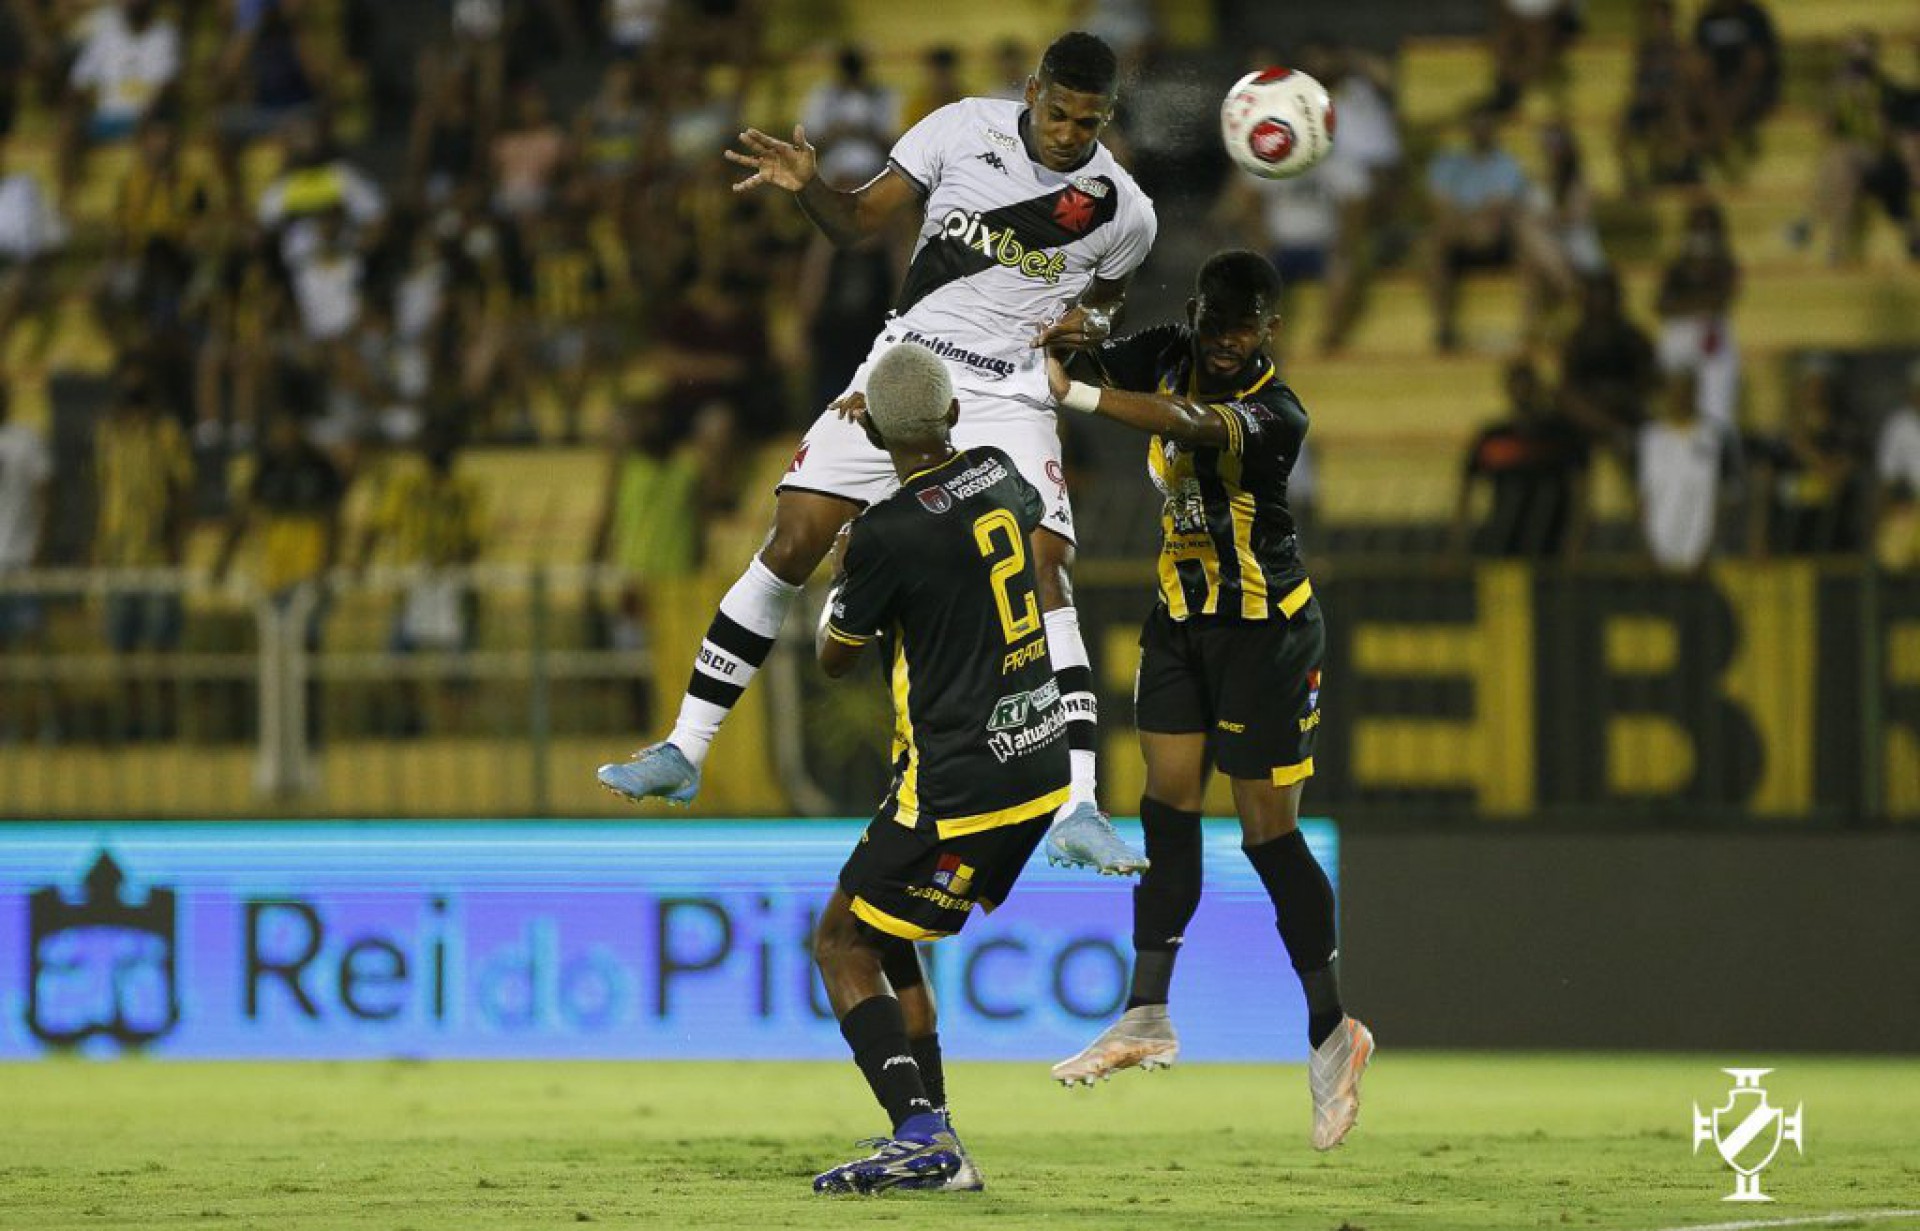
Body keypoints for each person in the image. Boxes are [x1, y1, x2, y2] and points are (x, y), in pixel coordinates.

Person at [598, 31, 1156, 875]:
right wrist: (808, 187)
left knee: (1047, 570)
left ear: (1107, 115)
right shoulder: (960, 127)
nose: (1069, 133)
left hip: (1008, 393)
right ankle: (685, 747)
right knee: (792, 540)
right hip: (905, 368)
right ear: (1032, 91)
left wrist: (1095, 325)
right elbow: (856, 222)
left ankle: (1081, 805)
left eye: (1089, 122)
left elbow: (1107, 306)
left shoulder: (1125, 209)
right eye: (1058, 113)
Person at [1038, 250, 1373, 1152]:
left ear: (1270, 329)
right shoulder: (1168, 349)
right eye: (1215, 324)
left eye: (1243, 329)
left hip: (1266, 632)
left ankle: (1333, 1033)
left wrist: (1076, 392)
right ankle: (1146, 1011)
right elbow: (1078, 349)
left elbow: (1186, 422)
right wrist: (1060, 322)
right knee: (1166, 805)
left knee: (1267, 833)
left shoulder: (1276, 411)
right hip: (1180, 621)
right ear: (1196, 314)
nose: (1226, 343)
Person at [808, 342, 1071, 1194]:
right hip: (1037, 759)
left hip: (957, 783)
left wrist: (844, 568)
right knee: (886, 932)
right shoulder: (1000, 472)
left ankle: (922, 1135)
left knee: (841, 941)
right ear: (953, 413)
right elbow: (963, 510)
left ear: (876, 432)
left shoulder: (881, 534)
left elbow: (835, 656)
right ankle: (937, 1134)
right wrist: (904, 421)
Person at [1452, 358, 1590, 558]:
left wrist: (1574, 543)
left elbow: (1580, 493)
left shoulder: (1561, 437)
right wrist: (1456, 545)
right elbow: (1466, 494)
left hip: (1550, 548)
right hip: (1501, 546)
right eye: (1517, 386)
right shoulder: (1492, 438)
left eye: (1527, 387)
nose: (1522, 393)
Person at [1637, 369, 1741, 572]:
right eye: (1674, 391)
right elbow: (1643, 497)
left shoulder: (1716, 437)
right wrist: (1647, 548)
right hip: (1658, 553)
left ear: (1696, 392)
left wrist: (1710, 548)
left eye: (1685, 390)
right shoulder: (1650, 439)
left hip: (1703, 555)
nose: (1679, 398)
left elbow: (1727, 495)